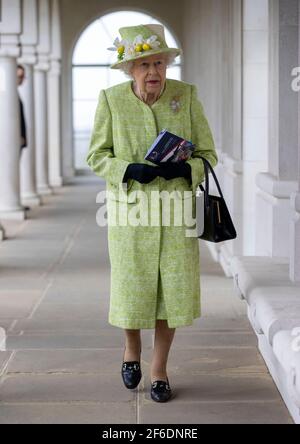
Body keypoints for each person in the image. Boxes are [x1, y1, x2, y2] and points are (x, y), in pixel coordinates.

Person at [86, 24, 218, 403]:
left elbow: (209, 154)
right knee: (132, 288)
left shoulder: (186, 96)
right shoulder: (111, 100)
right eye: (144, 65)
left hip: (177, 215)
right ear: (129, 69)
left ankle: (159, 370)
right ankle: (131, 350)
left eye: (158, 63)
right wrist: (128, 170)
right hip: (131, 215)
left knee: (171, 294)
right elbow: (97, 155)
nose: (153, 73)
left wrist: (186, 170)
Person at [17, 65, 30, 213]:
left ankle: (16, 199)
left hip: (18, 141)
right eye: (20, 76)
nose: (22, 80)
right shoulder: (6, 93)